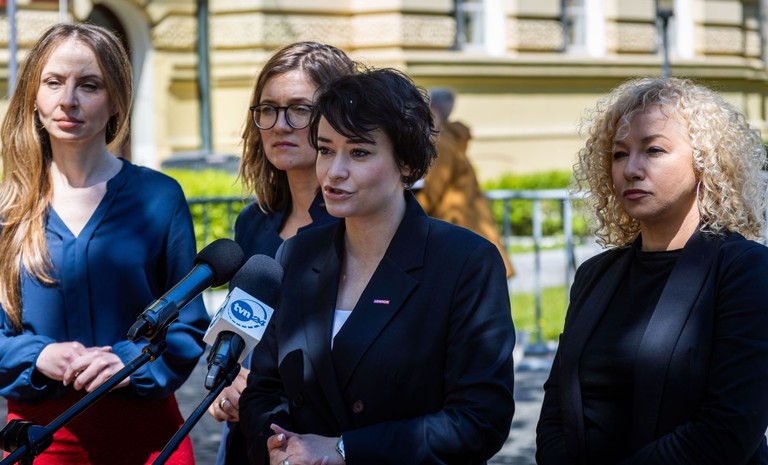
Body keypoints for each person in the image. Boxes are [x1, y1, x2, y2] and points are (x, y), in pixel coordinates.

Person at [238, 67, 516, 465]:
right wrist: (279, 444)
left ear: (407, 164)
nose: (334, 171)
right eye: (325, 150)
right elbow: (264, 390)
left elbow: (480, 419)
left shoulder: (465, 261)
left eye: (359, 152)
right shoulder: (296, 255)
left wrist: (343, 449)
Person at [0, 23, 209, 464]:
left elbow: (188, 324)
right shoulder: (8, 208)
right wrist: (39, 355)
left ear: (116, 100)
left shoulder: (159, 197)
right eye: (53, 82)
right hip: (41, 442)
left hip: (149, 439)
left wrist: (130, 362)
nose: (68, 100)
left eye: (89, 85)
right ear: (34, 96)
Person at [536, 77, 768, 464]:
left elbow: (728, 428)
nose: (631, 169)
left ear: (706, 162)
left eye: (654, 150)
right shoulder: (595, 274)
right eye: (619, 154)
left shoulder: (745, 270)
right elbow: (558, 407)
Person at [206, 41, 356, 465]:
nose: (280, 125)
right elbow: (241, 330)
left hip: (327, 443)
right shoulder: (254, 223)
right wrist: (228, 381)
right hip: (252, 439)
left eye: (300, 109)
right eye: (268, 109)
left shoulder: (358, 228)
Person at [415, 87, 515, 278]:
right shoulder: (449, 140)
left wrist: (398, 214)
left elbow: (430, 193)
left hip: (459, 240)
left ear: (433, 110)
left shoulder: (441, 146)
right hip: (465, 237)